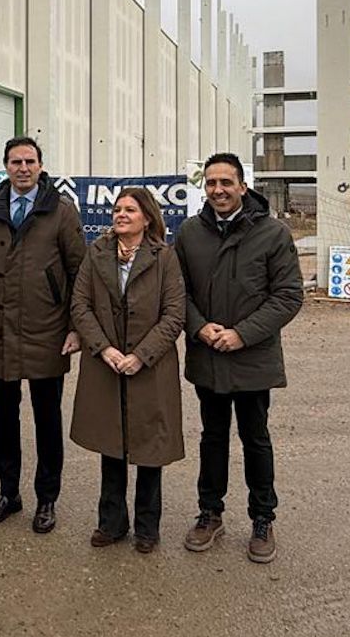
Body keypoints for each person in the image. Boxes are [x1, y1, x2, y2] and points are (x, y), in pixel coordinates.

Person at [176, 151, 303, 564]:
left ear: (243, 187)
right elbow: (178, 293)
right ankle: (210, 513)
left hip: (252, 358)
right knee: (212, 438)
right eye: (211, 183)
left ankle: (263, 517)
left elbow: (288, 296)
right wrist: (199, 327)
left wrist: (242, 334)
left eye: (226, 183)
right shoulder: (190, 233)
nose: (218, 190)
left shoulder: (272, 234)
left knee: (255, 438)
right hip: (207, 355)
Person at [0, 136, 87, 534]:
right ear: (5, 166)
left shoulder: (61, 211)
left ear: (40, 166)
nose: (23, 168)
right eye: (16, 161)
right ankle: (8, 492)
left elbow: (79, 273)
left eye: (30, 161)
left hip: (47, 332)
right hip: (0, 332)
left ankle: (46, 498)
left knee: (46, 418)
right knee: (4, 419)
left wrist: (75, 327)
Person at [69, 186, 187, 553]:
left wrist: (141, 354)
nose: (120, 215)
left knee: (150, 448)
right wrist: (103, 348)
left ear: (147, 217)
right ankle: (111, 523)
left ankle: (147, 528)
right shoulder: (97, 253)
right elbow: (80, 305)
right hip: (106, 365)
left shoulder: (165, 257)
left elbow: (174, 314)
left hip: (150, 368)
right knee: (112, 444)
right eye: (117, 209)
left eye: (129, 210)